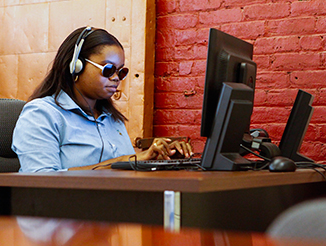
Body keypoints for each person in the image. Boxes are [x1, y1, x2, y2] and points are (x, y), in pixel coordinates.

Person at [12, 26, 192, 172]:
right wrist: (123, 161)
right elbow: (40, 181)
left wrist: (160, 159)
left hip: (114, 207)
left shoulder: (111, 118)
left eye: (121, 72)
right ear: (76, 66)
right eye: (108, 69)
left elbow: (128, 169)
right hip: (65, 213)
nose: (116, 78)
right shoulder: (41, 114)